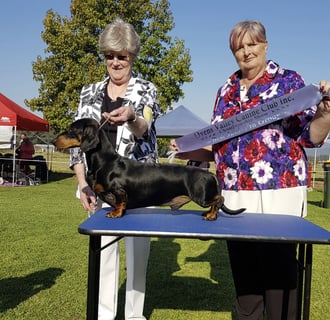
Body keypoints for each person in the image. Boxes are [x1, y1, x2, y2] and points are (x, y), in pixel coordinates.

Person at [170, 20, 330, 320]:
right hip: (234, 194)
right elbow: (217, 146)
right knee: (246, 282)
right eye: (239, 48)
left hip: (279, 194)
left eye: (252, 44)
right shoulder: (225, 90)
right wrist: (182, 149)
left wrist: (325, 113)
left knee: (280, 280)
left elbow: (312, 137)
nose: (246, 52)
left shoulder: (290, 83)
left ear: (265, 45)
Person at [69, 18, 160, 320]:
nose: (116, 62)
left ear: (132, 56)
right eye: (110, 55)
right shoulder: (88, 92)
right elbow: (78, 141)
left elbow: (144, 127)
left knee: (138, 258)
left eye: (122, 55)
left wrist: (132, 116)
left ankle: (135, 316)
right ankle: (105, 316)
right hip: (101, 188)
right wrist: (82, 183)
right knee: (105, 256)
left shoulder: (147, 89)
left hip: (139, 186)